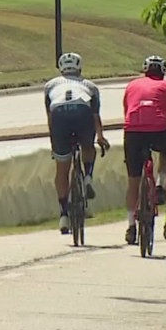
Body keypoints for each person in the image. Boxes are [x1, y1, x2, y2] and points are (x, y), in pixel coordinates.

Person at [44, 52, 109, 235]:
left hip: (59, 116)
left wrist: (53, 142)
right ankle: (87, 176)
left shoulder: (50, 85)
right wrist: (100, 136)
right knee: (88, 147)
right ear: (80, 68)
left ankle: (63, 215)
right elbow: (95, 115)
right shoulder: (90, 86)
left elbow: (50, 116)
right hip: (82, 112)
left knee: (62, 168)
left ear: (60, 68)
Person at [122, 55, 166, 245]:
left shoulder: (131, 85)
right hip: (157, 130)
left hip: (133, 131)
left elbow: (127, 110)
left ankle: (131, 225)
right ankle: (161, 183)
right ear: (162, 72)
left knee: (133, 181)